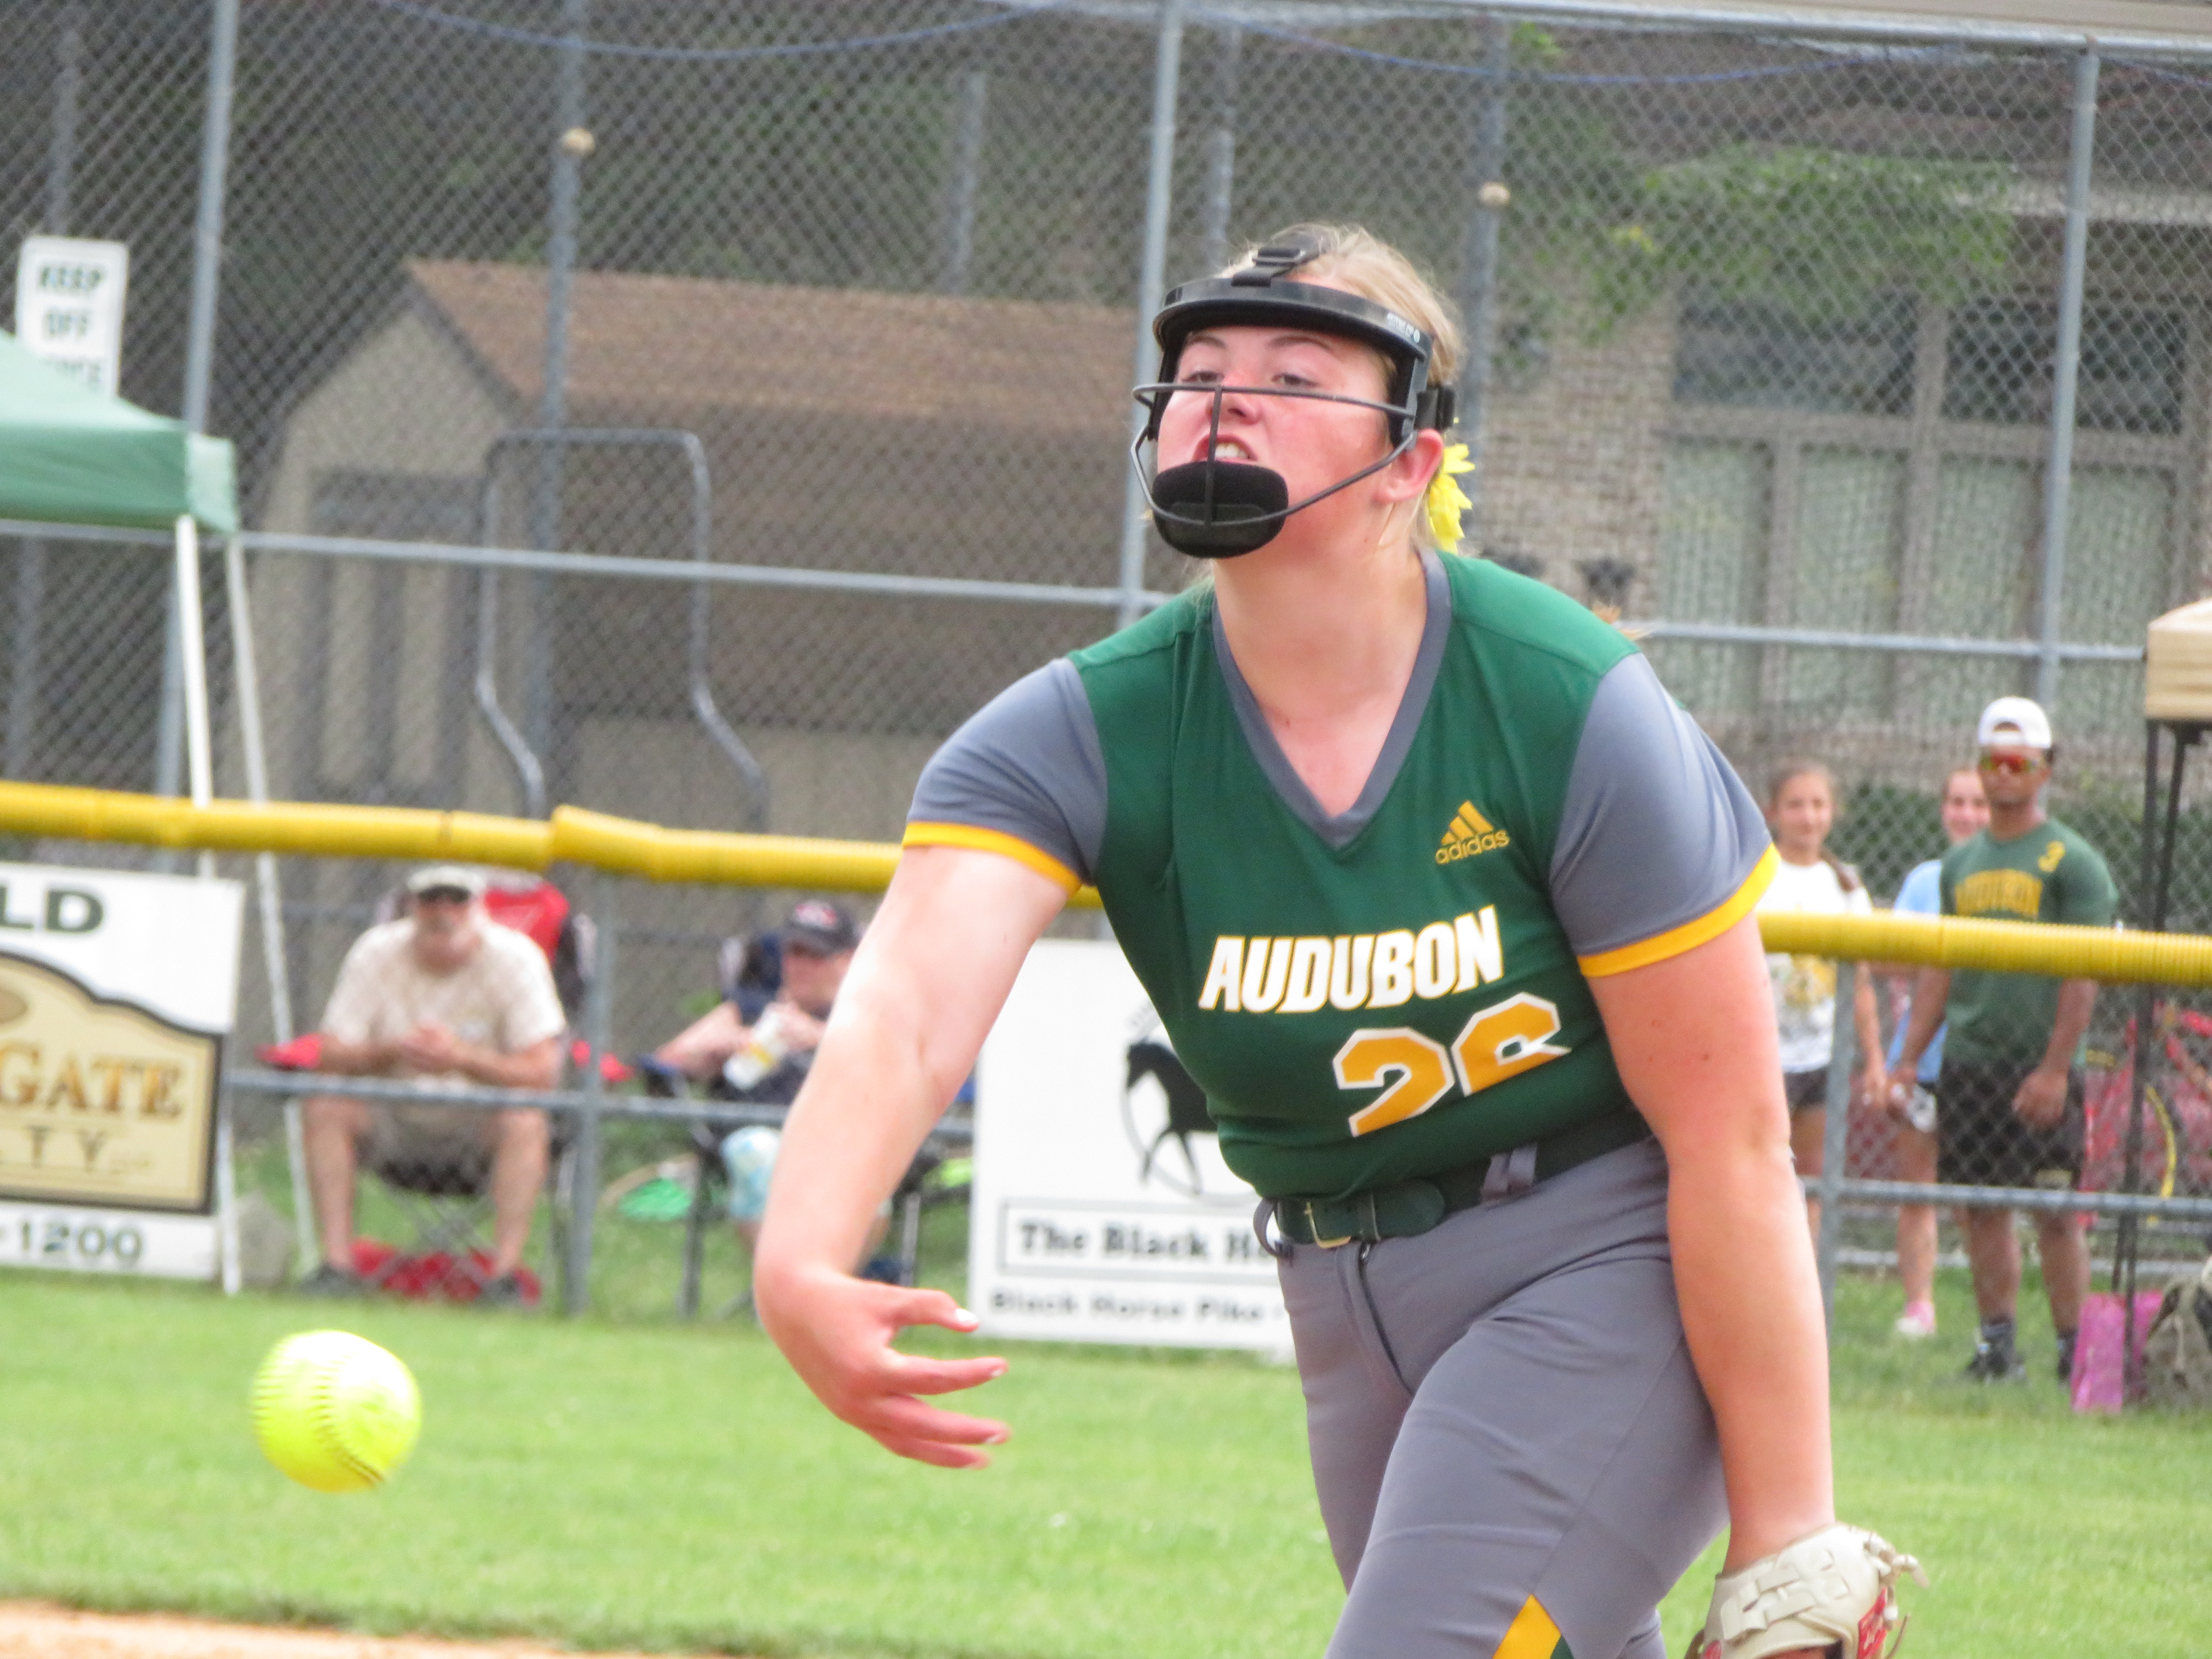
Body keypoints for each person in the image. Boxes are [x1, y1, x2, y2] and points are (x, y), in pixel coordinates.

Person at [751, 226, 1914, 1659]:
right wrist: (798, 1252)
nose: (1228, 395)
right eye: (1199, 369)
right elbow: (904, 1013)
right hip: (1342, 1302)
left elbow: (1732, 1133)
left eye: (1296, 370)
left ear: (1413, 462)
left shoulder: (1560, 696)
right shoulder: (1085, 727)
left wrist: (1789, 1533)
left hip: (1597, 1268)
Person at [1891, 697, 2117, 1384]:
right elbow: (1940, 968)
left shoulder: (2072, 861)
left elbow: (2086, 973)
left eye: (2020, 762)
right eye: (1994, 761)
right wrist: (1906, 1059)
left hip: (2040, 1065)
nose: (2005, 775)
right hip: (1973, 1060)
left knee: (2054, 1209)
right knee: (1981, 1208)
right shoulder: (1960, 866)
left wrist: (2056, 1069)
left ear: (2046, 769)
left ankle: (2074, 1355)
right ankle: (1997, 1348)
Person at [299, 864, 566, 1306]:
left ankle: (503, 1281)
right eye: (431, 900)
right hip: (392, 1121)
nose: (443, 912)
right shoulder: (375, 952)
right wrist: (394, 1051)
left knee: (525, 1120)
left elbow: (543, 1072)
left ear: (478, 908)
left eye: (457, 900)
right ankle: (337, 1267)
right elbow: (331, 1055)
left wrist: (462, 1058)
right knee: (326, 1105)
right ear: (411, 906)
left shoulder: (517, 958)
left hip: (478, 1128)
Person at [652, 898, 862, 1253]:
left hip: (836, 1133)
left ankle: (832, 1281)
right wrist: (738, 1041)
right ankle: (783, 1282)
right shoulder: (751, 1007)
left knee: (862, 1158)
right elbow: (670, 1059)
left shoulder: (862, 1016)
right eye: (794, 953)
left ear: (846, 961)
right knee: (756, 1151)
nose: (800, 966)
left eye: (816, 955)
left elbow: (897, 1063)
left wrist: (816, 1037)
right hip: (758, 1132)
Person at [1755, 760, 1886, 1243]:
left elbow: (1863, 985)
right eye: (1795, 805)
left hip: (1822, 1057)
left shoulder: (1845, 886)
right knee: (1760, 1169)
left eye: (1818, 805)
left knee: (1810, 1176)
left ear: (1833, 812)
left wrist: (1873, 1059)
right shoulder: (1757, 876)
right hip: (1764, 1054)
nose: (1807, 817)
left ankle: (1806, 1281)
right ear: (1773, 812)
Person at [1882, 766, 1988, 1339]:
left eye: (1977, 803)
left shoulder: (2004, 881)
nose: (1967, 813)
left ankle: (1988, 1315)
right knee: (1916, 1185)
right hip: (1921, 1062)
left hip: (1979, 1062)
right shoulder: (1926, 880)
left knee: (1977, 1197)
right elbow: (1889, 958)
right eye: (1957, 802)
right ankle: (1920, 1304)